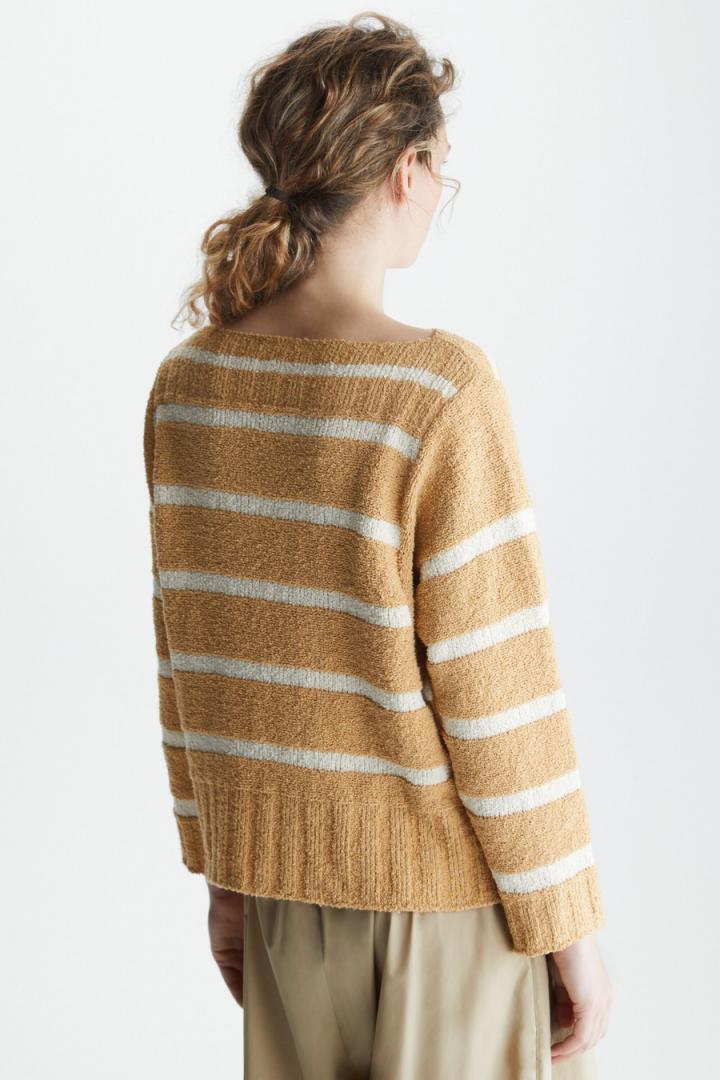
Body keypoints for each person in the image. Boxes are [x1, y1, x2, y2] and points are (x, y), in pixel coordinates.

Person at [143, 11, 612, 1078]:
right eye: (441, 167)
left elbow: (195, 657)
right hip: (447, 912)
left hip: (279, 908)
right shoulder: (436, 393)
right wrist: (569, 926)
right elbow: (499, 688)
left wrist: (225, 875)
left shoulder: (189, 387)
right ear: (409, 168)